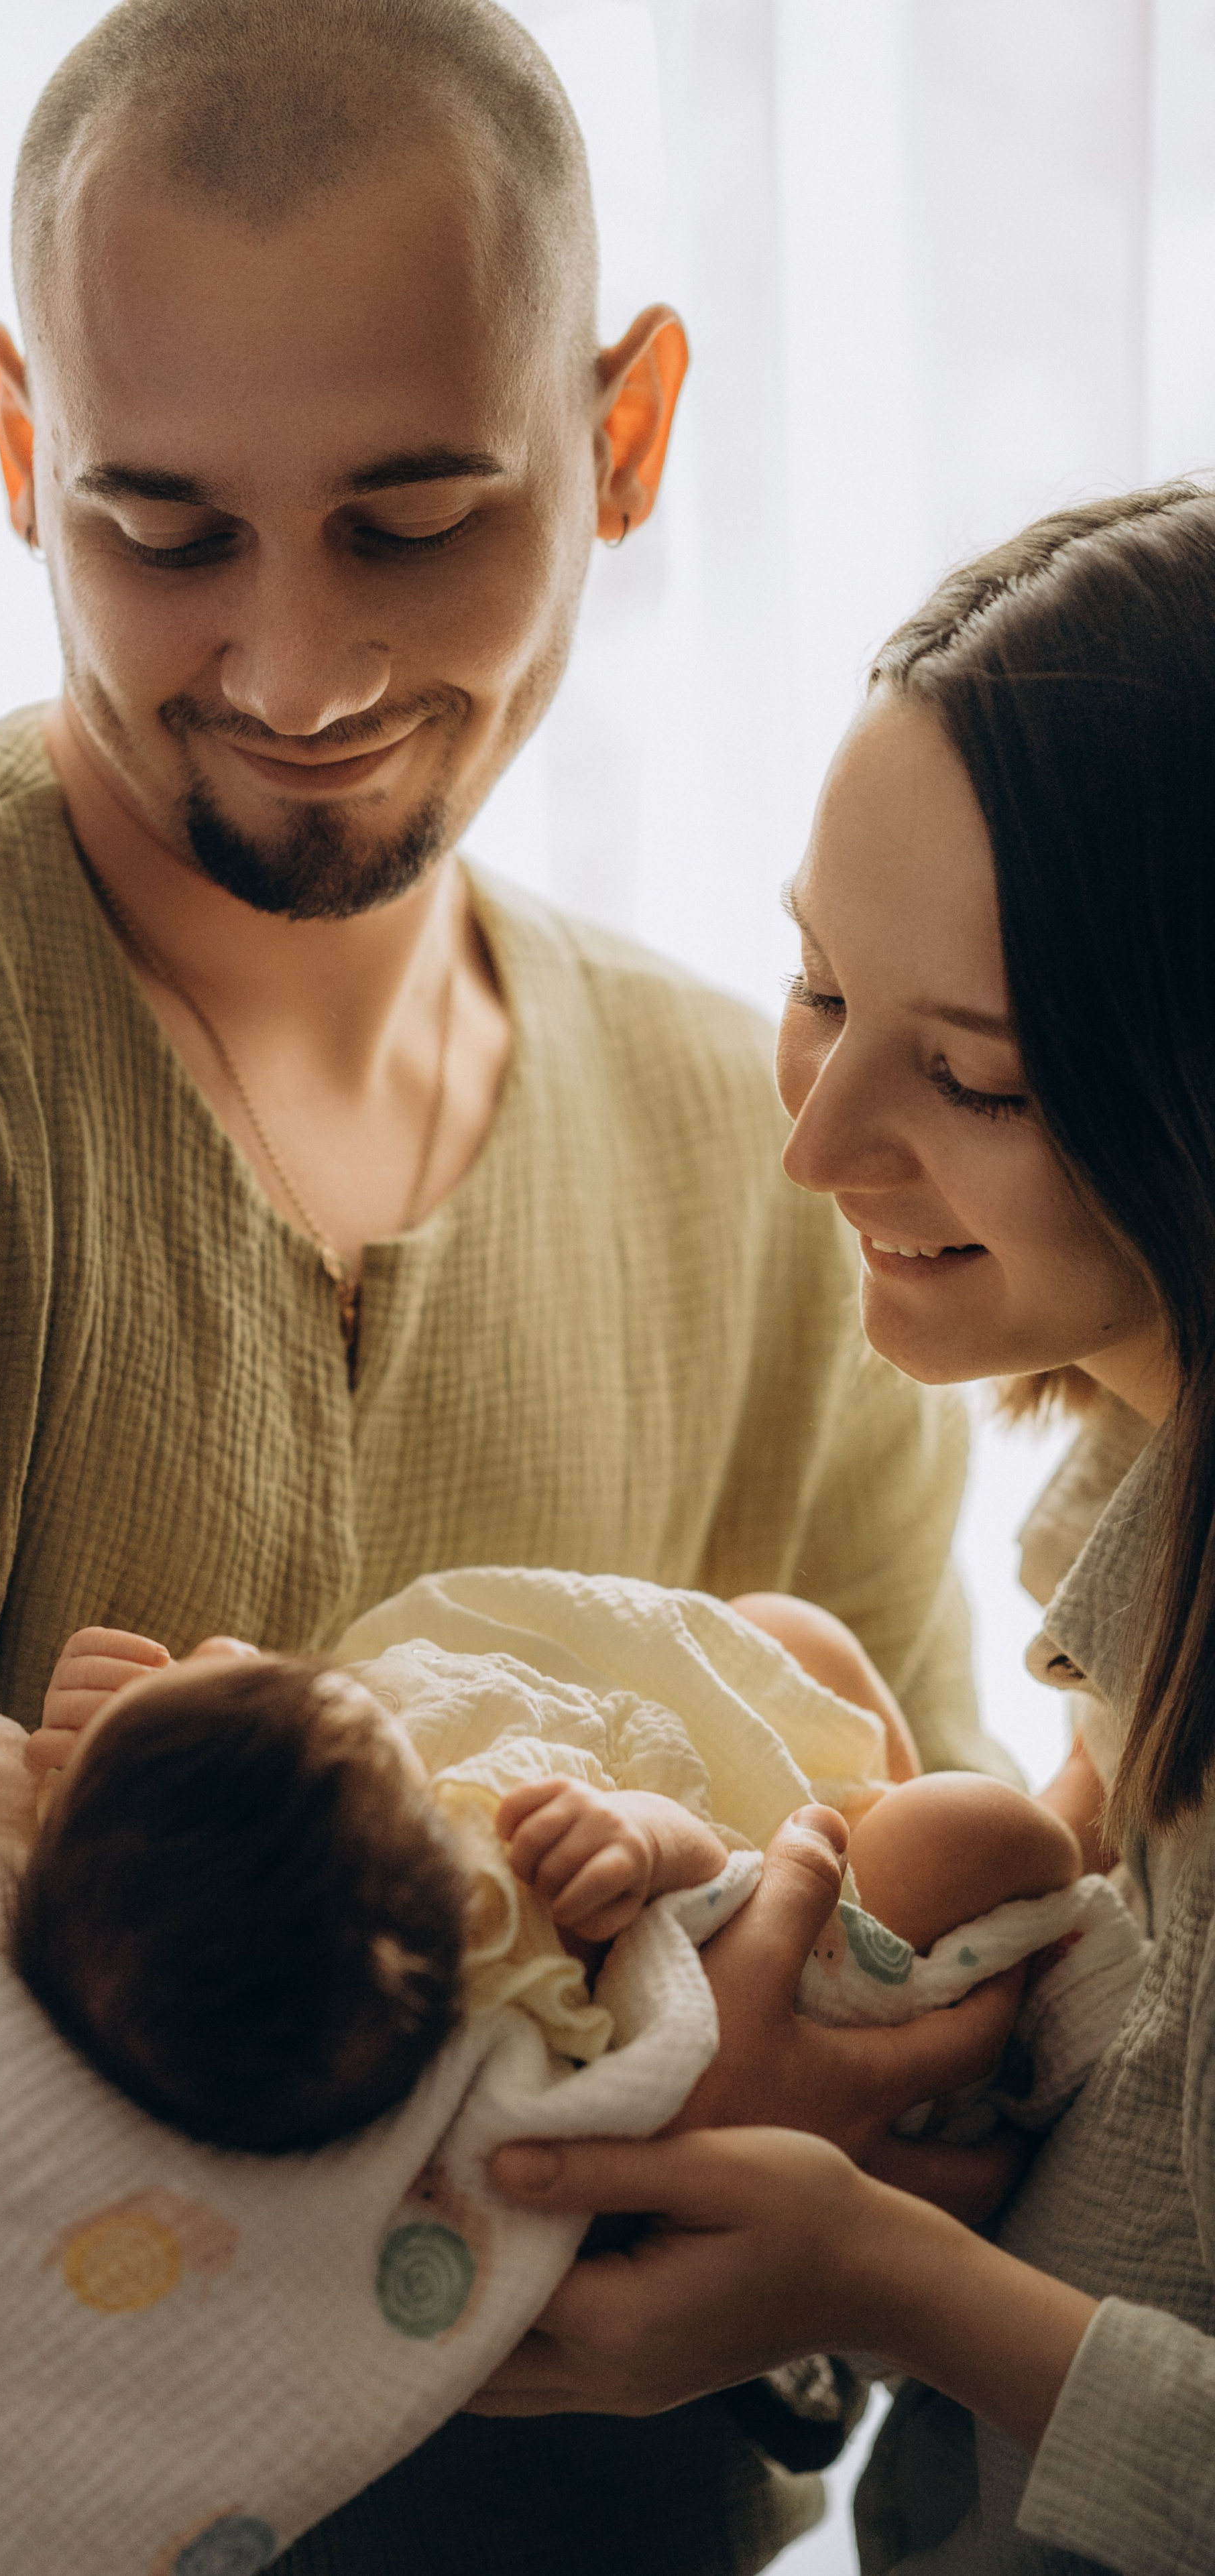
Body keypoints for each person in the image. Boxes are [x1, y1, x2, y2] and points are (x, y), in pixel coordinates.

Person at [0, 4, 1017, 2572]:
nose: (297, 669)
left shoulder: (786, 1151)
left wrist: (805, 2163)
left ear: (628, 434)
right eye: (163, 529)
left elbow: (953, 2052)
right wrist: (604, 2157)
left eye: (417, 522)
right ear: (14, 452)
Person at [472, 480, 1215, 2576]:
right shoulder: (1131, 1553)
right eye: (816, 983)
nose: (810, 1143)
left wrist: (875, 2274)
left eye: (969, 1075)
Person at [13, 1606, 1078, 2156]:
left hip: (786, 1846)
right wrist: (640, 1839)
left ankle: (879, 1795)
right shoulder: (492, 1925)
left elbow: (217, 1737)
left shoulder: (215, 1864)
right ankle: (1066, 1873)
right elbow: (703, 1873)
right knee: (975, 1827)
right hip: (786, 1966)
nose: (233, 1650)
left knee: (790, 1635)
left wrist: (111, 1728)